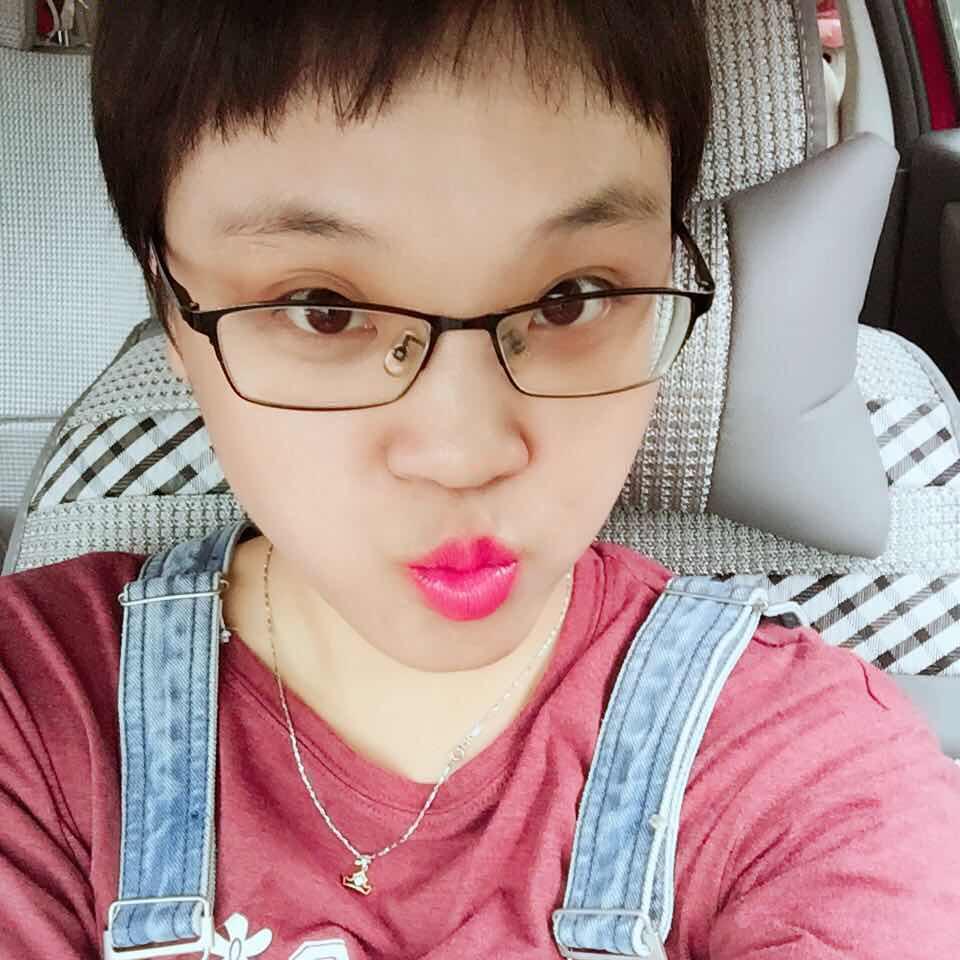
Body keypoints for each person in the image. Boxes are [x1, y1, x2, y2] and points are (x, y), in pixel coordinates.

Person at [1, 2, 958, 958]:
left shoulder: (815, 774)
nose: (464, 457)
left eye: (572, 298)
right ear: (169, 306)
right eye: (323, 309)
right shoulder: (35, 711)